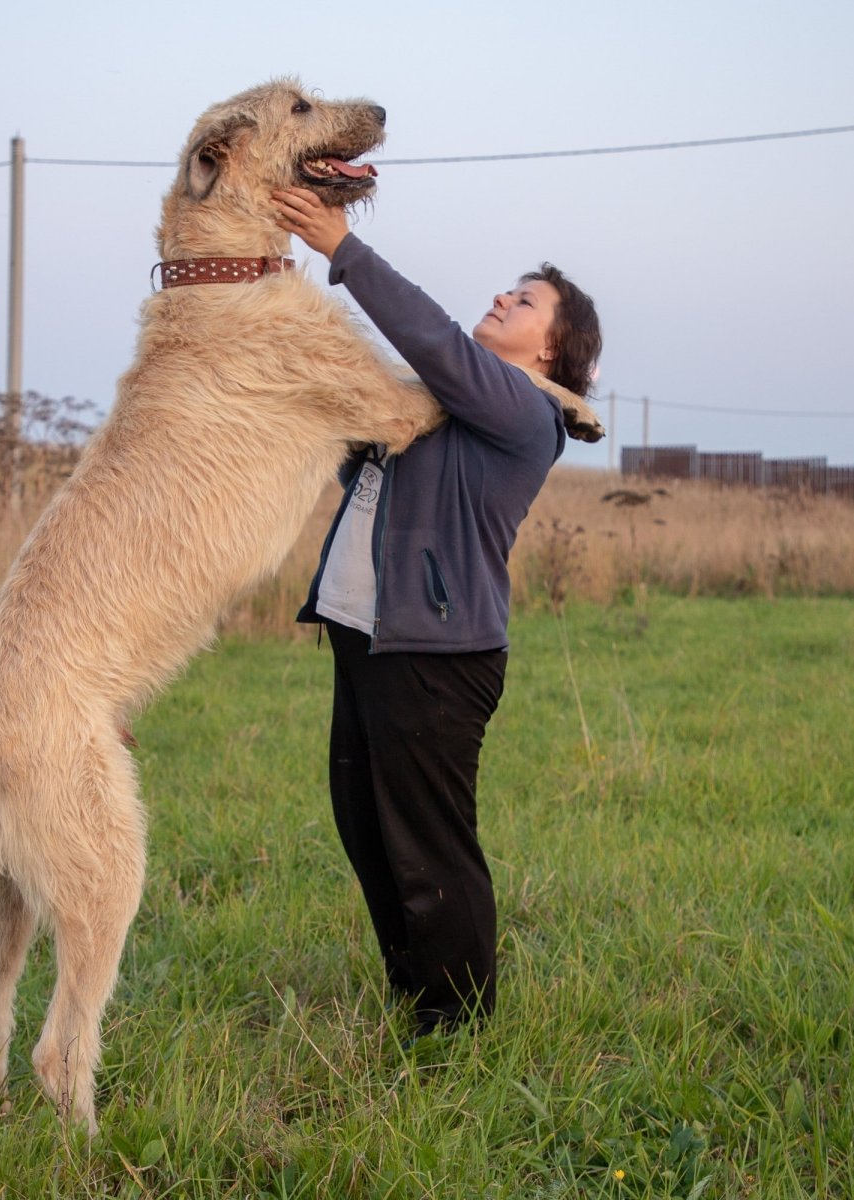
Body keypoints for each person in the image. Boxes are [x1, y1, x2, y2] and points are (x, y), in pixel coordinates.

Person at [271, 185, 603, 1040]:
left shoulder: (520, 409)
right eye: (507, 288)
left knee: (428, 843)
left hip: (437, 654)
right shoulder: (431, 408)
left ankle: (458, 1025)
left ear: (554, 349)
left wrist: (343, 249)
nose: (502, 297)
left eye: (524, 300)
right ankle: (418, 998)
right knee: (369, 832)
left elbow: (435, 340)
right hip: (365, 637)